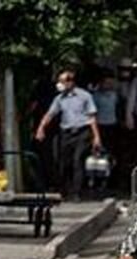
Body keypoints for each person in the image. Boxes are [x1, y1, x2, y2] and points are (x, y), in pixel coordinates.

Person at [34, 68, 102, 199]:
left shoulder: (84, 96)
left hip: (82, 132)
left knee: (78, 160)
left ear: (71, 82)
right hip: (66, 133)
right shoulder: (59, 99)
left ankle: (76, 192)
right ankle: (64, 189)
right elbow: (50, 114)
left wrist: (96, 137)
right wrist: (41, 128)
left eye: (62, 81)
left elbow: (91, 117)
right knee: (64, 162)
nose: (60, 84)